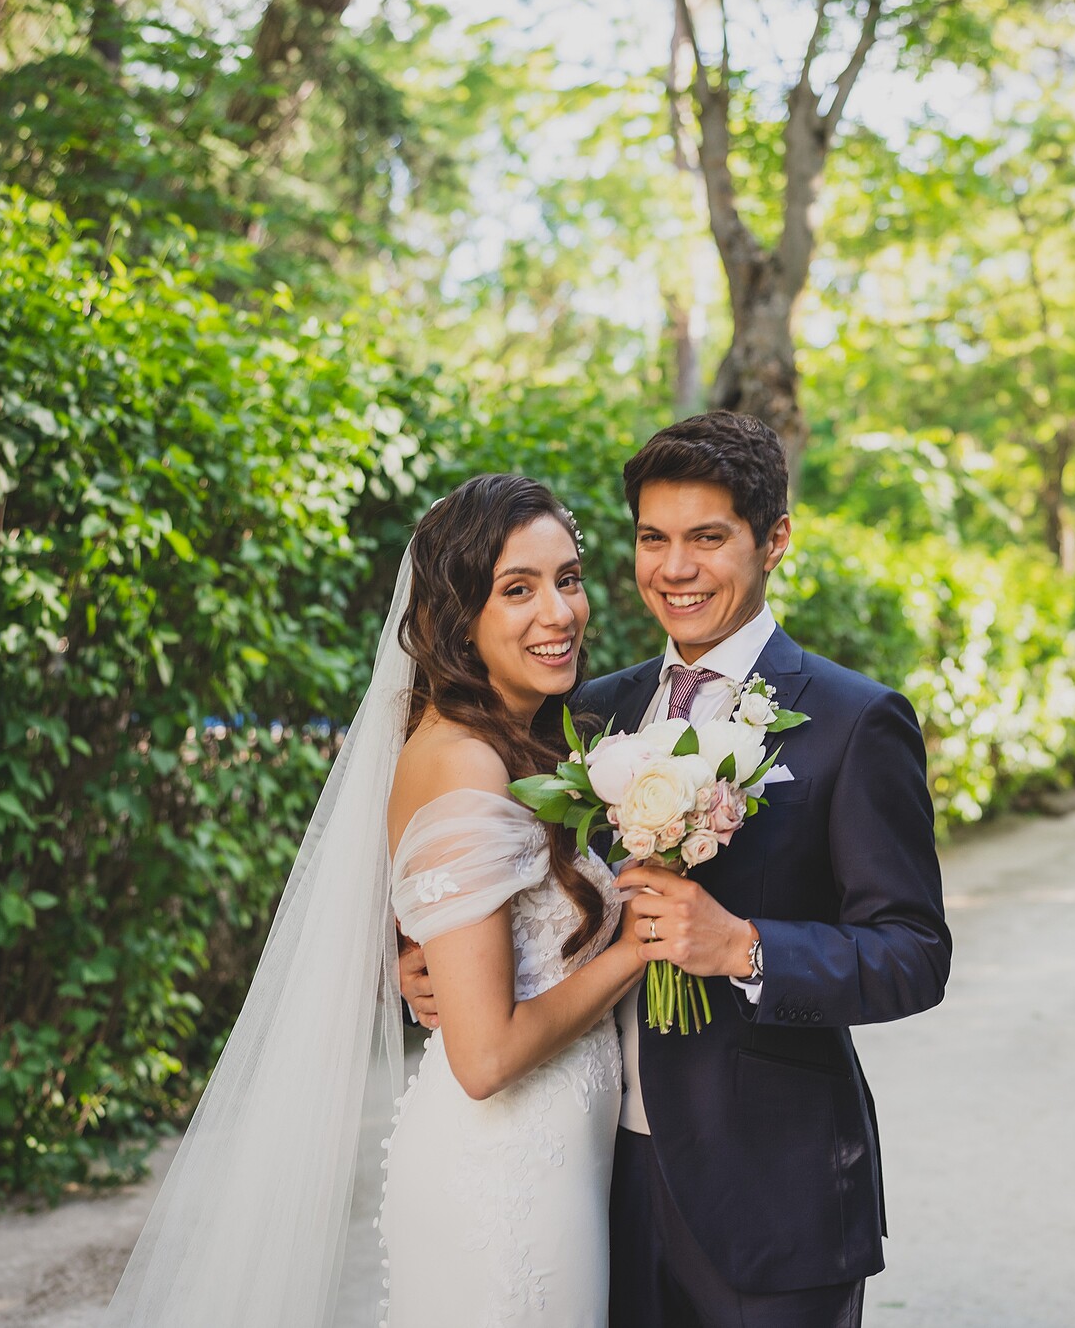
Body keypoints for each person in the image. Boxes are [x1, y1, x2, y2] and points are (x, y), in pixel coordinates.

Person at [402, 412, 953, 1328]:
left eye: (708, 537)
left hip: (769, 1193)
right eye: (653, 539)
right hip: (591, 1181)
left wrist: (744, 947)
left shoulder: (856, 723)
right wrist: (421, 960)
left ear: (774, 540)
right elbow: (474, 863)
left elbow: (913, 954)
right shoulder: (582, 710)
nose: (675, 568)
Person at [102, 474, 641, 1328]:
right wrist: (635, 949)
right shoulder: (465, 758)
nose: (559, 612)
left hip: (554, 1159)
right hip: (507, 1178)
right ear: (459, 617)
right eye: (517, 589)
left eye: (567, 578)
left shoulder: (522, 736)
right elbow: (485, 1057)